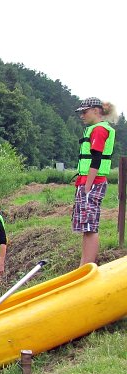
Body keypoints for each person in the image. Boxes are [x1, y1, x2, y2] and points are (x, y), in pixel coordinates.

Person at [73, 97, 117, 266]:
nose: (81, 116)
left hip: (92, 183)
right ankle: (83, 265)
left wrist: (88, 186)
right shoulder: (93, 129)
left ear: (96, 111)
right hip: (85, 182)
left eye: (84, 112)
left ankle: (88, 266)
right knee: (85, 227)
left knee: (90, 226)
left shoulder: (99, 130)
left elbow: (96, 159)